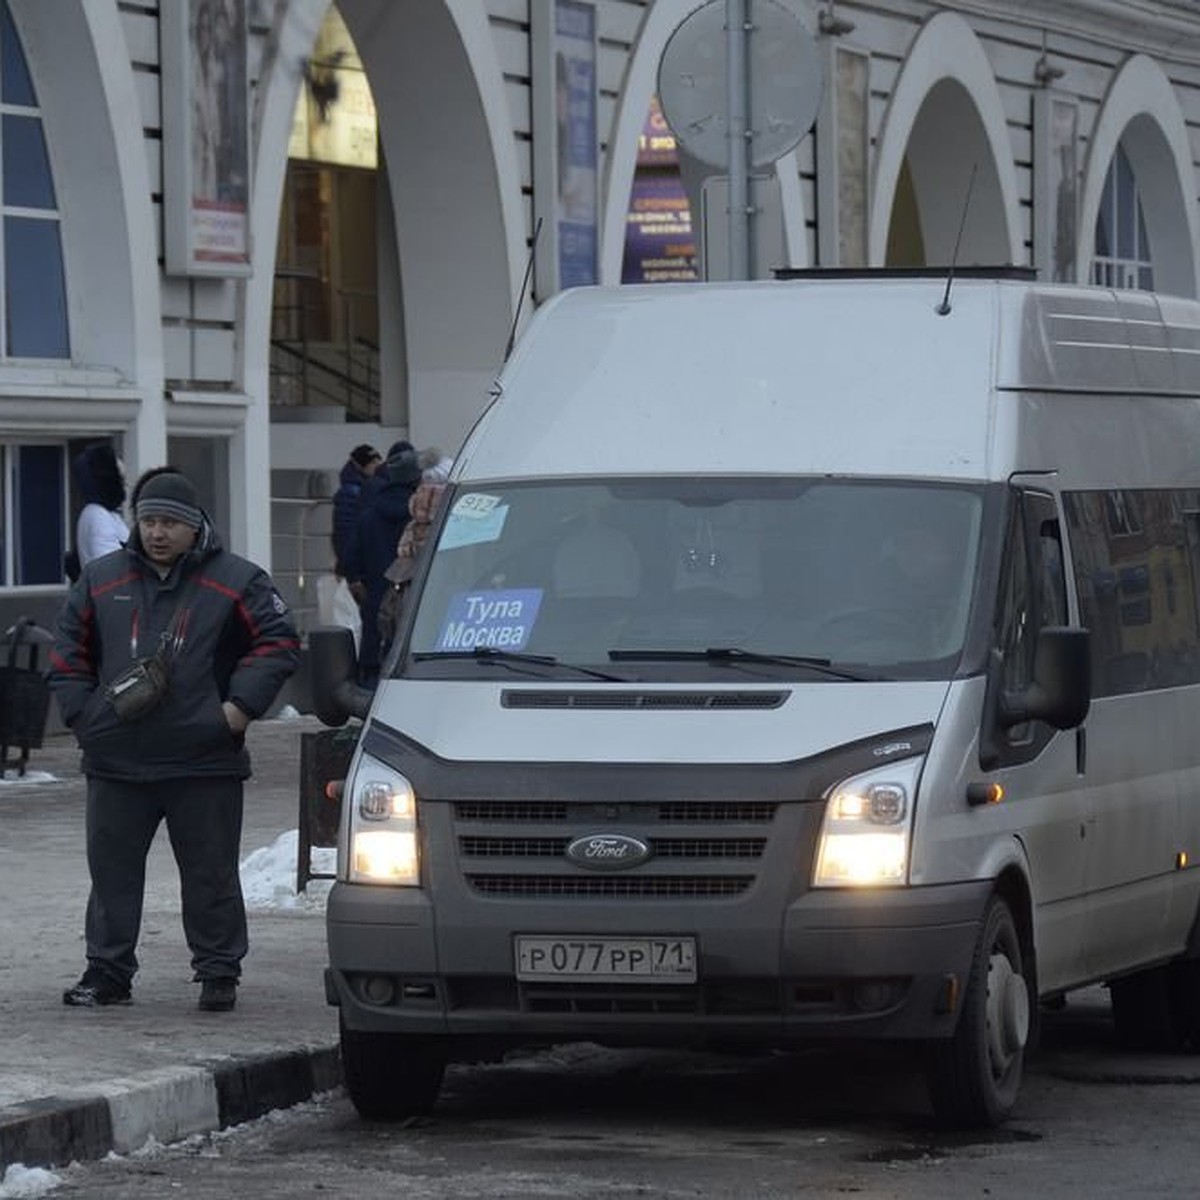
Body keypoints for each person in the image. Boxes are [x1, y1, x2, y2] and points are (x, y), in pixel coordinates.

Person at [47, 468, 300, 1013]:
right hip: (116, 762)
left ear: (195, 527)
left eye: (169, 523)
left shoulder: (238, 580)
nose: (157, 533)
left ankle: (218, 973)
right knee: (111, 876)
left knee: (210, 875)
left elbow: (278, 642)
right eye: (148, 521)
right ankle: (107, 971)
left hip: (203, 760)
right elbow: (67, 652)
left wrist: (234, 711)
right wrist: (85, 716)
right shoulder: (100, 580)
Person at [342, 441, 422, 686]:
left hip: (376, 611)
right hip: (416, 616)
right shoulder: (423, 519)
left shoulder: (369, 516)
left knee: (373, 683)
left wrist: (362, 589)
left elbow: (351, 559)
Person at [70, 440, 128, 573]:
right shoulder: (98, 516)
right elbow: (112, 568)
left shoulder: (105, 514)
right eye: (121, 480)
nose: (125, 486)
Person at [331, 442, 384, 578]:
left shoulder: (359, 489)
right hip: (356, 563)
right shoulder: (351, 493)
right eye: (373, 462)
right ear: (361, 466)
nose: (377, 466)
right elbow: (345, 532)